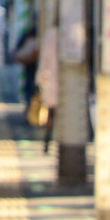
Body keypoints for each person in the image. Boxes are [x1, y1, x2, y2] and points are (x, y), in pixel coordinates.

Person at [37, 22, 60, 151]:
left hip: (51, 81)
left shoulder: (49, 36)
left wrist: (40, 81)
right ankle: (50, 142)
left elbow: (43, 61)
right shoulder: (64, 35)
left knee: (51, 114)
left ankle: (46, 142)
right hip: (58, 83)